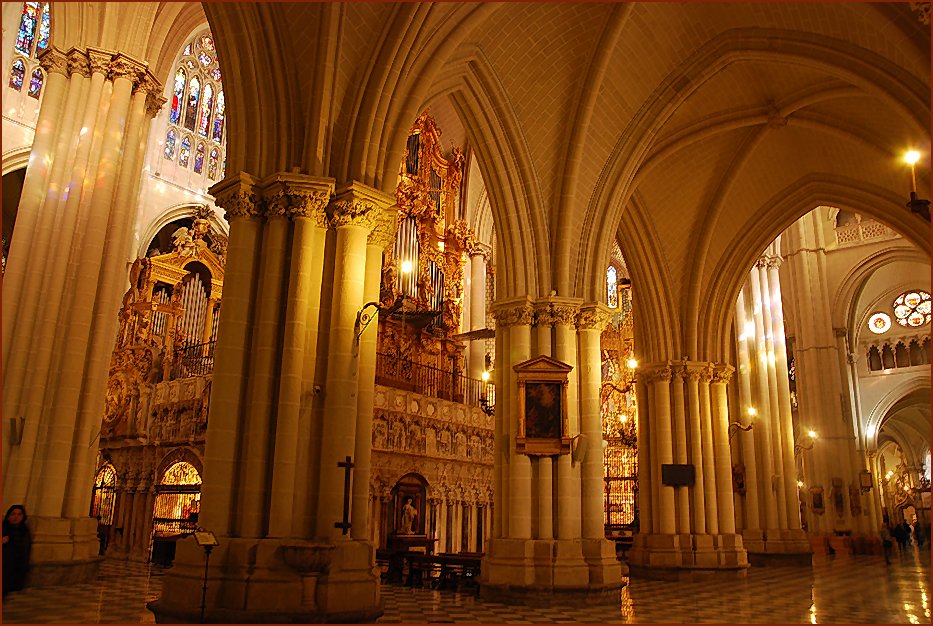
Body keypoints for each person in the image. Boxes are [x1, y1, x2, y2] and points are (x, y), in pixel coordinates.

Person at [2, 505, 31, 597]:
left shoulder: (24, 530)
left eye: (19, 514)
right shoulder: (4, 529)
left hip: (17, 567)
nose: (16, 517)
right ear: (8, 516)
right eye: (13, 514)